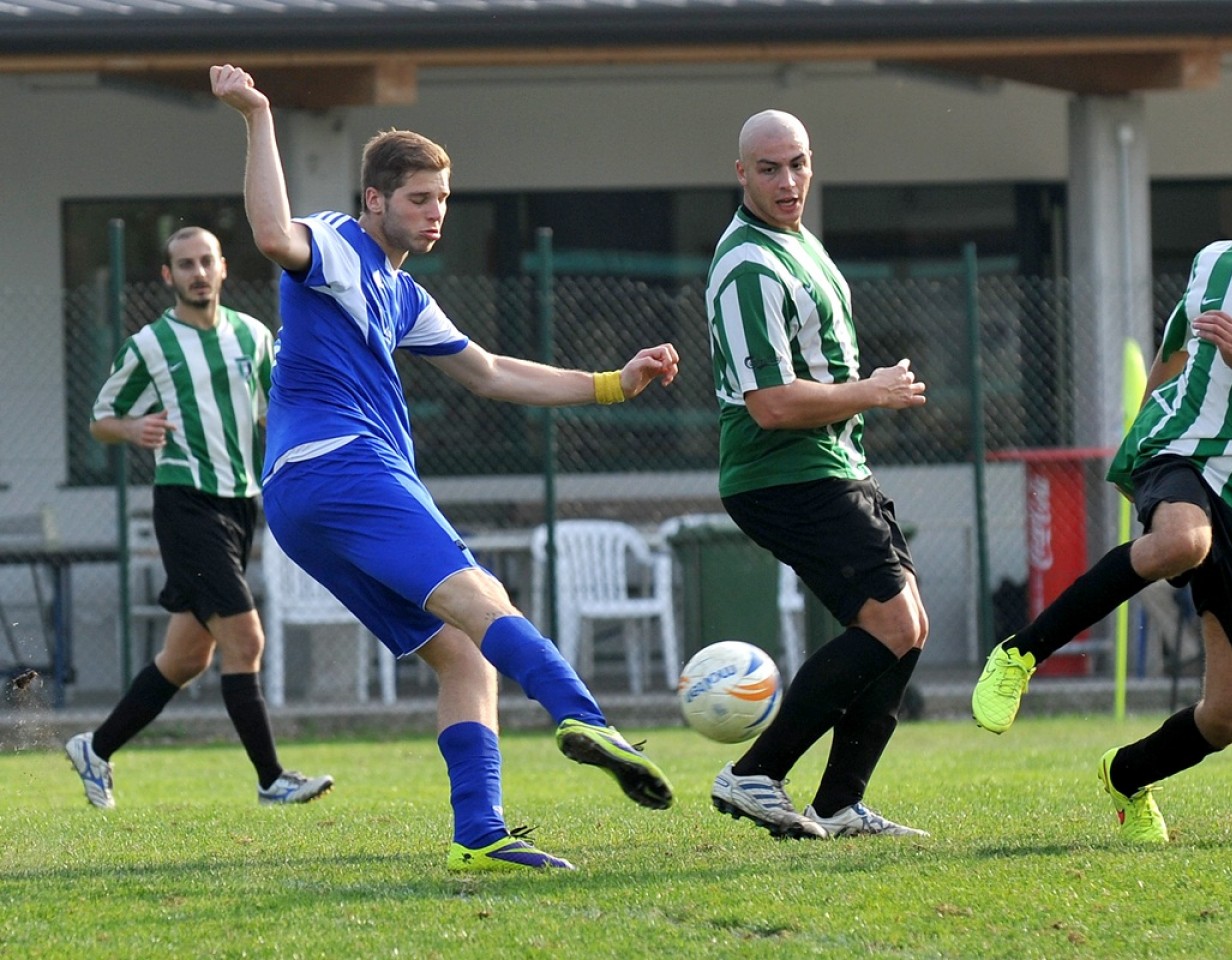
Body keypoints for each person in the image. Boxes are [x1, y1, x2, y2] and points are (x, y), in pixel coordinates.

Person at [210, 63, 679, 872]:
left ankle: (480, 831)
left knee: (461, 652)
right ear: (375, 201)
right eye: (420, 198)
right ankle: (582, 713)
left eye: (444, 200)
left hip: (299, 499)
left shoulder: (401, 293)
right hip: (346, 466)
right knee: (481, 596)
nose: (436, 214)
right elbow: (269, 235)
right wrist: (257, 116)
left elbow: (490, 371)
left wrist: (611, 384)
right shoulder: (335, 244)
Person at [971, 132, 1232, 843]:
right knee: (1182, 541)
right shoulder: (1216, 264)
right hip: (1182, 451)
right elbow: (1170, 357)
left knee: (1231, 715)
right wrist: (1145, 444)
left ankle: (1126, 777)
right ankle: (1020, 654)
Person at [704, 109, 930, 840]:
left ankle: (838, 803)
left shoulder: (797, 244)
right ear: (742, 174)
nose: (788, 180)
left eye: (797, 163)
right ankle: (752, 773)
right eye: (769, 168)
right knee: (891, 621)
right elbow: (769, 405)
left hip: (832, 463)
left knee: (908, 626)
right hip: (783, 472)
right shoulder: (747, 265)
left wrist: (866, 397)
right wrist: (873, 390)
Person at [69, 226, 333, 809]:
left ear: (222, 269)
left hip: (242, 503)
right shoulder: (149, 344)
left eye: (205, 261)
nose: (196, 272)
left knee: (188, 657)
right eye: (184, 264)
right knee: (246, 638)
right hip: (185, 502)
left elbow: (274, 412)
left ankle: (96, 748)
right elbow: (100, 418)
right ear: (168, 276)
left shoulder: (254, 336)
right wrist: (132, 429)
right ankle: (272, 779)